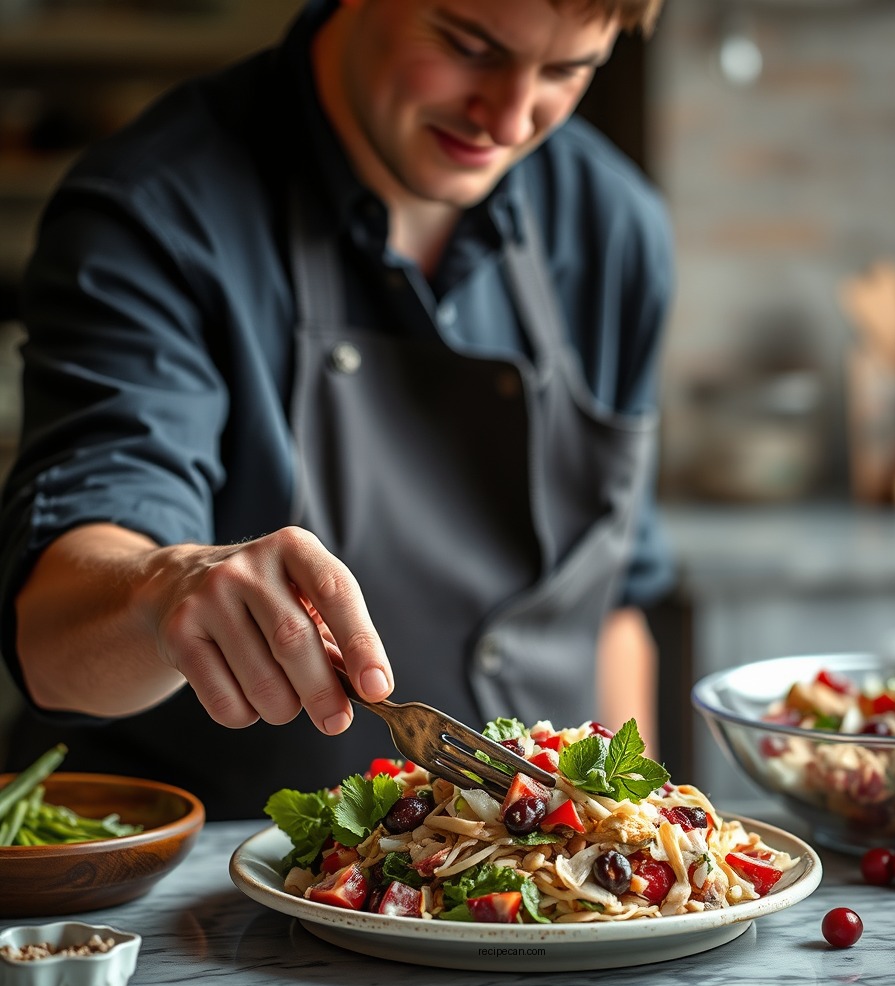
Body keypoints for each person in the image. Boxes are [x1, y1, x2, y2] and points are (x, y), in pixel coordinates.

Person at [0, 0, 675, 818]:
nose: (507, 116)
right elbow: (48, 640)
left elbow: (611, 612)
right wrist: (164, 590)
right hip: (206, 899)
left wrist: (632, 846)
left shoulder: (615, 226)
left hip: (536, 906)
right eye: (468, 47)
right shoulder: (152, 211)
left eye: (568, 70)